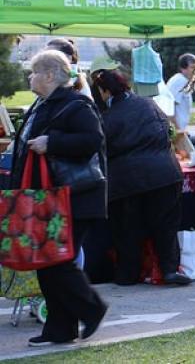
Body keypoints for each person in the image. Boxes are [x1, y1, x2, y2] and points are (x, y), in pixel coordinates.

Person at [10, 50, 108, 346]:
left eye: (34, 72)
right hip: (49, 199)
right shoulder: (44, 104)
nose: (30, 77)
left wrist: (52, 142)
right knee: (48, 262)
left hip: (75, 198)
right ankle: (60, 329)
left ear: (50, 75)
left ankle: (92, 308)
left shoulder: (76, 104)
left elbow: (93, 140)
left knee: (58, 261)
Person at [93, 69, 191, 286]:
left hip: (127, 180)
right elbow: (167, 131)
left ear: (105, 91)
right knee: (166, 226)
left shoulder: (106, 117)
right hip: (165, 173)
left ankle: (127, 275)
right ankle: (169, 270)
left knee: (127, 229)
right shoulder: (149, 104)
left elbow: (102, 147)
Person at [166, 53, 195, 132]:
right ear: (183, 68)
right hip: (176, 131)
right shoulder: (180, 81)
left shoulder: (182, 80)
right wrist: (178, 130)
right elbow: (169, 108)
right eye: (192, 67)